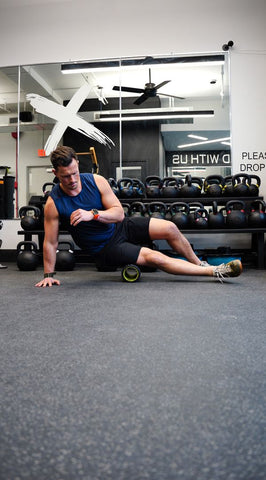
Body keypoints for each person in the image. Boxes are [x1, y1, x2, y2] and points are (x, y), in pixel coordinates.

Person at [35, 146, 242, 287]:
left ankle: (199, 264)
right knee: (155, 257)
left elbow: (118, 214)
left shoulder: (96, 181)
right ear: (55, 173)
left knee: (169, 227)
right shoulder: (54, 203)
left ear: (77, 164)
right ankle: (216, 271)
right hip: (105, 248)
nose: (72, 179)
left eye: (74, 173)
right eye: (65, 176)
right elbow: (50, 243)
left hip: (120, 226)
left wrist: (93, 214)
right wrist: (48, 275)